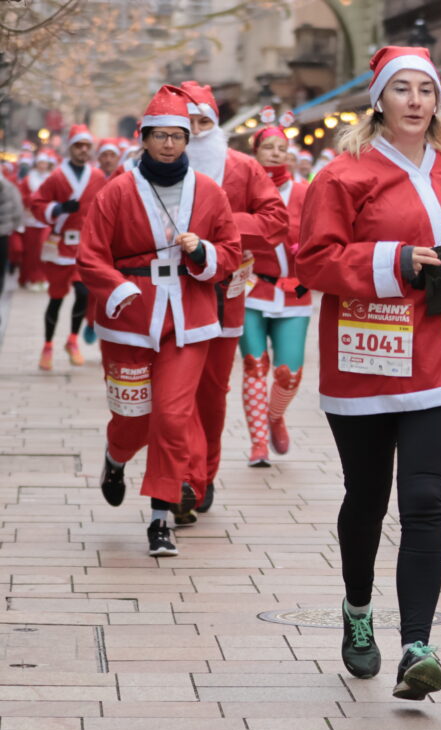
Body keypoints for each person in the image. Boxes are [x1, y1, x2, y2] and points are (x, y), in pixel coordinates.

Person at [296, 46, 441, 700]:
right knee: (367, 497)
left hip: (438, 358)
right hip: (364, 357)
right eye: (402, 89)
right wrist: (396, 261)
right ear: (379, 99)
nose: (416, 100)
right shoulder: (343, 174)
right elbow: (315, 262)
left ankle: (418, 645)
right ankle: (359, 615)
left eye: (426, 90)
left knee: (422, 500)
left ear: (438, 102)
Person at [75, 85, 240, 557]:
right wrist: (118, 287)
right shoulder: (117, 191)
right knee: (132, 417)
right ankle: (115, 456)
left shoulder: (209, 192)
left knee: (172, 416)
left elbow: (229, 251)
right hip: (130, 316)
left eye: (177, 136)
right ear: (142, 138)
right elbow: (90, 256)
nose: (169, 144)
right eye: (159, 136)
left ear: (188, 140)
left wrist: (204, 252)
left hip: (189, 317)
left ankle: (161, 517)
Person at [181, 81, 288, 508]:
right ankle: (184, 478)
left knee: (211, 390)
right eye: (184, 124)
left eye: (203, 122)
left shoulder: (244, 167)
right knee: (176, 389)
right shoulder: (146, 167)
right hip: (171, 296)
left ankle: (203, 477)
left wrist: (224, 228)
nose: (195, 131)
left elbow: (275, 218)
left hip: (227, 294)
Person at [239, 124, 311, 466]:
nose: (276, 153)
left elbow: (323, 233)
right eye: (268, 147)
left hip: (294, 291)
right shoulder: (242, 191)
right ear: (256, 152)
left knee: (289, 372)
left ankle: (274, 415)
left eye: (282, 147)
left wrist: (309, 248)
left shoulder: (305, 192)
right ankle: (258, 445)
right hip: (253, 289)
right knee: (254, 366)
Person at [31, 125, 108, 370]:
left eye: (86, 146)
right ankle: (47, 345)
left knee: (84, 293)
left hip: (84, 246)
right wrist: (59, 209)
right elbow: (37, 203)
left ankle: (73, 340)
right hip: (60, 244)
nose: (83, 150)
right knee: (56, 298)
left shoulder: (96, 177)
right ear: (70, 147)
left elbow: (105, 207)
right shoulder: (56, 177)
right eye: (78, 145)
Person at [17, 151, 53, 292]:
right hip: (31, 220)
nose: (42, 166)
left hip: (45, 221)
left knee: (43, 249)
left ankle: (42, 277)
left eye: (44, 163)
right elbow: (23, 196)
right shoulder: (28, 179)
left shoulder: (50, 178)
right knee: (31, 252)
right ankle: (29, 277)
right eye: (40, 163)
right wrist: (32, 202)